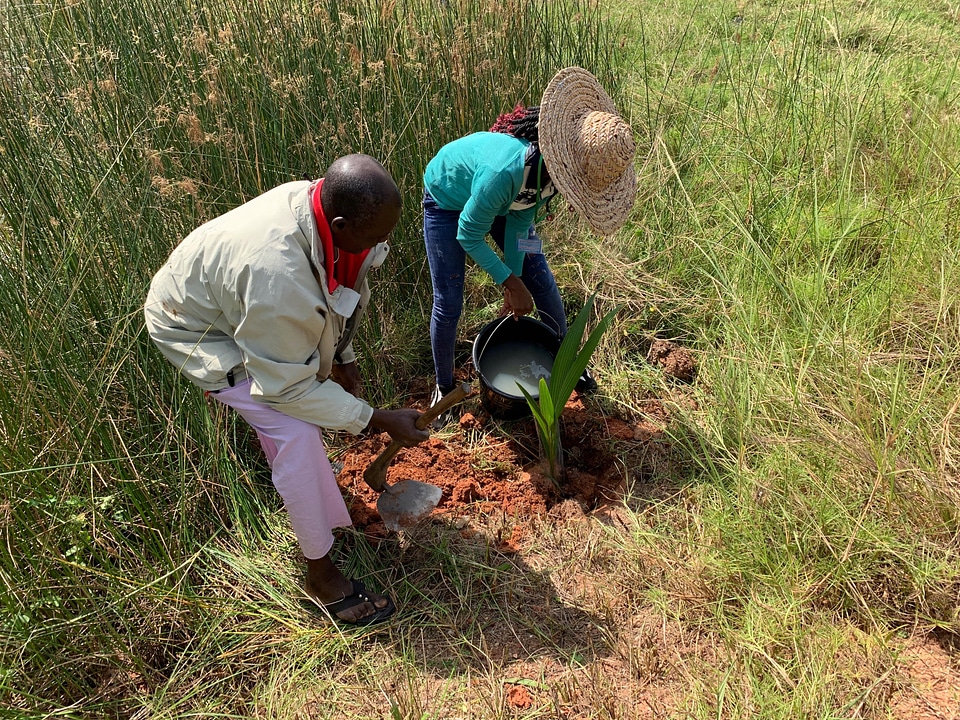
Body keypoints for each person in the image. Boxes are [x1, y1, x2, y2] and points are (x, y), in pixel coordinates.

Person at [144, 154, 428, 626]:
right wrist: (374, 417)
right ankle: (319, 573)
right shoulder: (276, 276)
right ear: (339, 223)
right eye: (376, 235)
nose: (384, 243)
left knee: (303, 399)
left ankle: (317, 491)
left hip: (236, 303)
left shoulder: (325, 216)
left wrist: (343, 357)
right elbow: (287, 386)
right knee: (294, 432)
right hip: (194, 327)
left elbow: (343, 287)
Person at [422, 66, 637, 415]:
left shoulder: (547, 177)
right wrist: (509, 281)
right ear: (560, 156)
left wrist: (517, 280)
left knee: (541, 277)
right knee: (449, 301)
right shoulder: (505, 171)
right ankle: (443, 388)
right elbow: (468, 233)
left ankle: (566, 366)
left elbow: (521, 221)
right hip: (448, 201)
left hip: (509, 204)